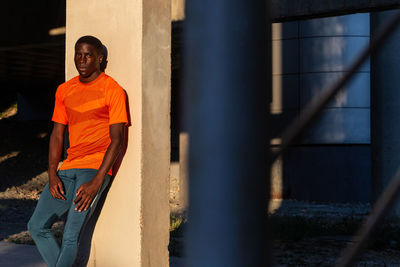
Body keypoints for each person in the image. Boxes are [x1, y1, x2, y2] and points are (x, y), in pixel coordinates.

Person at [27, 35, 128, 267]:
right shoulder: (64, 90)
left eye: (88, 55)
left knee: (71, 235)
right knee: (36, 225)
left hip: (93, 170)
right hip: (68, 168)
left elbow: (117, 140)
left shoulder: (112, 89)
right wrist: (52, 173)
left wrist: (97, 181)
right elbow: (56, 134)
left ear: (100, 59)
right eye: (78, 54)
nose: (82, 60)